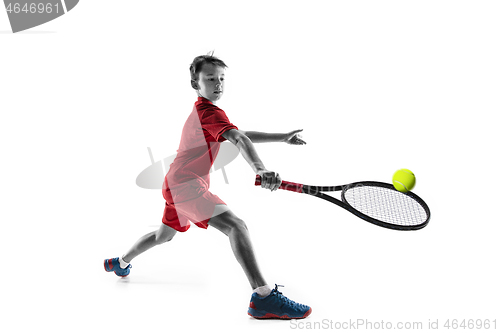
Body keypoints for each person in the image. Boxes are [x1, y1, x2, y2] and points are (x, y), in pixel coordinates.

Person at [104, 54, 311, 319]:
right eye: (210, 78)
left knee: (162, 236)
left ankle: (120, 263)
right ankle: (263, 296)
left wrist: (281, 137)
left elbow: (238, 134)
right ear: (195, 83)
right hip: (185, 185)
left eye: (222, 78)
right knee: (236, 226)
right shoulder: (208, 112)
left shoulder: (206, 112)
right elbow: (237, 138)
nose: (218, 84)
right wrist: (260, 168)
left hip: (175, 183)